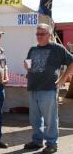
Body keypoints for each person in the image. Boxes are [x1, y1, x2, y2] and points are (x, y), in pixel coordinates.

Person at [23, 24, 73, 154]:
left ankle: (51, 144)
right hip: (33, 87)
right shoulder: (32, 49)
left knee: (50, 119)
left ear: (50, 35)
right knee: (35, 118)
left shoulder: (57, 48)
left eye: (42, 33)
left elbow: (71, 62)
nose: (39, 36)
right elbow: (28, 63)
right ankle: (37, 141)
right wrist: (27, 66)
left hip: (48, 88)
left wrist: (63, 78)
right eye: (37, 34)